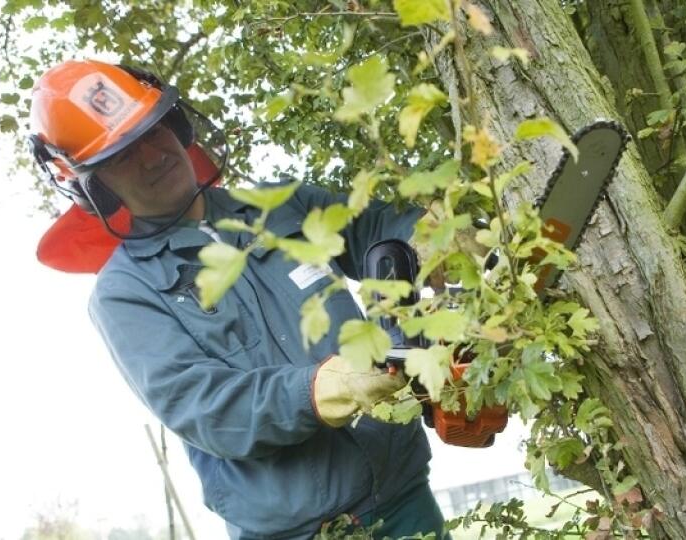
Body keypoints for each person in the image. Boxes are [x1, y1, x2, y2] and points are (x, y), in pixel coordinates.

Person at [28, 59, 445, 539]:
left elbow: (375, 228)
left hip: (404, 496)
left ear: (178, 126)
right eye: (123, 155)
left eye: (154, 131)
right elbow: (207, 407)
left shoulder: (284, 206)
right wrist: (332, 385)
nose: (152, 157)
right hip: (297, 532)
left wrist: (429, 241)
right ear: (94, 188)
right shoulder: (125, 294)